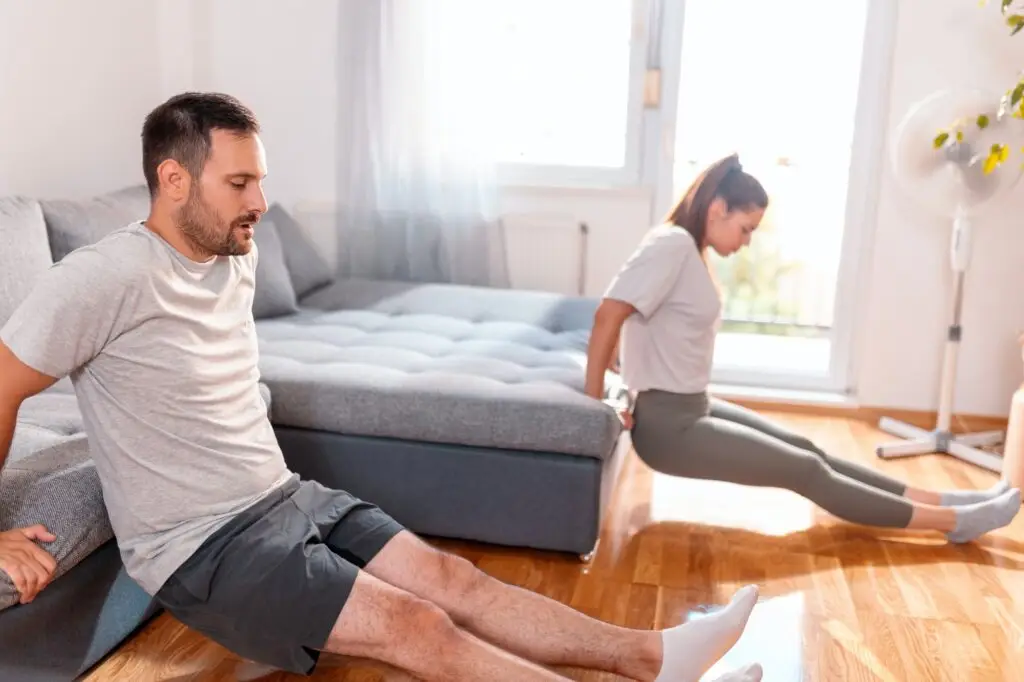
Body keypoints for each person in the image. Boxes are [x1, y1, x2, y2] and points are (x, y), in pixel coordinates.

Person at [0, 92, 765, 682]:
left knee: (448, 576)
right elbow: (3, 387)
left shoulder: (237, 254)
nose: (260, 202)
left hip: (280, 494)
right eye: (239, 183)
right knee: (418, 628)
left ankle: (652, 656)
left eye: (260, 180)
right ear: (172, 180)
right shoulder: (101, 280)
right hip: (201, 548)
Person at [585, 153, 1021, 544]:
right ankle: (953, 523)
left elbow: (637, 332)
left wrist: (618, 387)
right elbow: (609, 314)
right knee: (805, 471)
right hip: (669, 428)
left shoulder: (689, 249)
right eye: (746, 228)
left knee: (809, 450)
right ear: (718, 208)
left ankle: (951, 501)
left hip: (691, 406)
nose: (747, 241)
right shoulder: (672, 244)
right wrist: (596, 403)